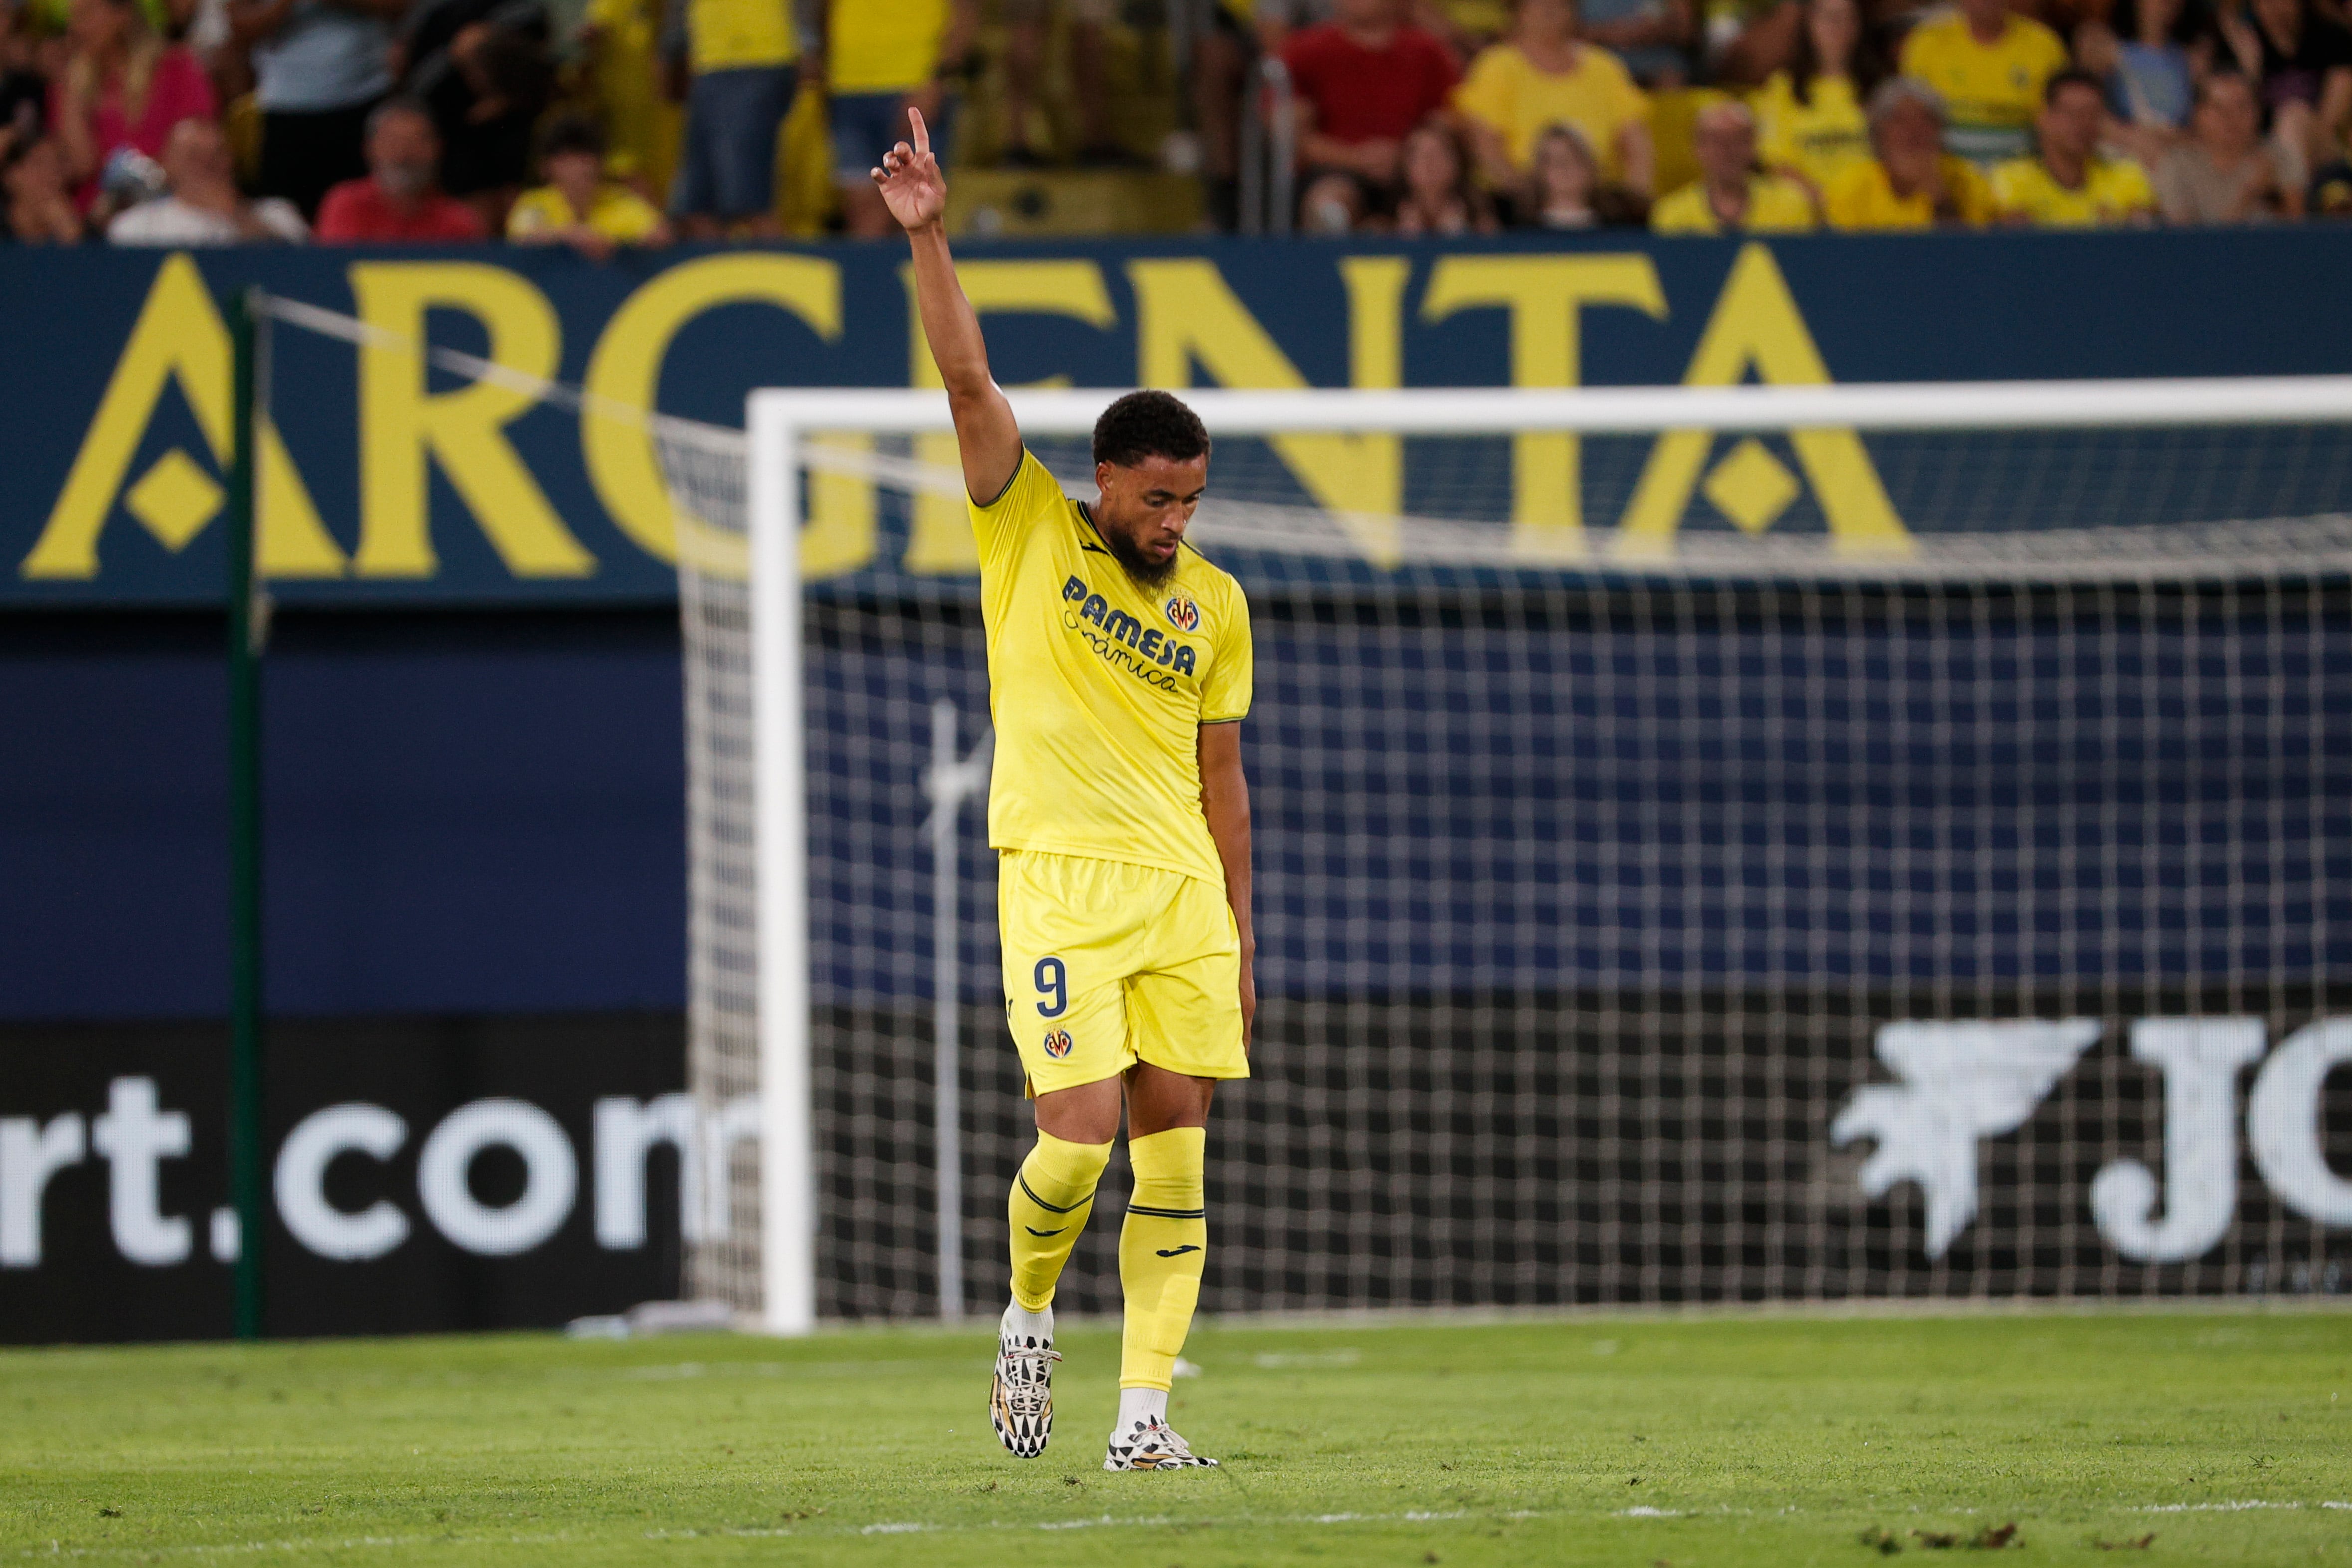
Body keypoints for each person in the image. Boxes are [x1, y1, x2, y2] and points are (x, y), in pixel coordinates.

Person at [874, 109, 1256, 1475]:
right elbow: (969, 377)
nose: (1176, 521)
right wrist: (929, 235)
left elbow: (1224, 773)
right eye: (1158, 499)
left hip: (1183, 899)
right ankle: (1028, 1310)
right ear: (1104, 482)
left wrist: (1239, 925)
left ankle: (1144, 1416)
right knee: (1080, 1142)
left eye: (1193, 501)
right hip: (1056, 877)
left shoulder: (1215, 603)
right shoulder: (1025, 524)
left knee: (1177, 1160)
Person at [1284, 0, 1461, 230]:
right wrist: (1355, 158)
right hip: (1336, 169)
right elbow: (1293, 134)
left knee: (1435, 180)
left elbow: (1447, 121)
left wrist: (1408, 154)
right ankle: (1327, 263)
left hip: (1409, 170)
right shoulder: (1306, 52)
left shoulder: (1427, 51)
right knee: (1328, 205)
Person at [230, 0, 405, 221]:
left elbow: (402, 7)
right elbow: (238, 27)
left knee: (367, 218)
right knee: (287, 221)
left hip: (364, 97)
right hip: (287, 108)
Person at [1457, 0, 1654, 197]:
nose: (1549, 9)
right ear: (1518, 11)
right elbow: (1486, 148)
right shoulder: (1496, 66)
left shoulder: (1604, 66)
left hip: (1597, 199)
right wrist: (1526, 200)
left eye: (1559, 4)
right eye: (1538, 4)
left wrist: (1632, 199)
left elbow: (1637, 144)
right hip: (1518, 200)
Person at [820, 0, 973, 239]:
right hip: (847, 85)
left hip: (914, 82)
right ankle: (872, 275)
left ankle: (916, 275)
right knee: (860, 211)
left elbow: (966, 10)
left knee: (914, 212)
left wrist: (939, 78)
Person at [48, 0, 215, 209]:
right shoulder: (71, 85)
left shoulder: (178, 69)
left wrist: (143, 185)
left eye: (87, 15)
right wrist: (71, 88)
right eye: (74, 18)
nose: (76, 27)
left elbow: (196, 145)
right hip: (100, 213)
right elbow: (83, 164)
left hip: (168, 202)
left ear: (122, 14)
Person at [668, 0, 801, 237]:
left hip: (753, 58)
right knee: (697, 207)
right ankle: (714, 273)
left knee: (750, 203)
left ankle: (779, 271)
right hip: (708, 63)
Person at [1895, 0, 2068, 166]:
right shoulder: (1927, 42)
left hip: (2022, 177)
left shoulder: (2044, 46)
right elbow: (1910, 121)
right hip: (1947, 174)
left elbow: (2060, 123)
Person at [1749, 0, 1884, 200]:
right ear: (1809, 23)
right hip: (1807, 215)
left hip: (1868, 211)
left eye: (1846, 18)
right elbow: (1776, 161)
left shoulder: (1879, 86)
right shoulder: (1782, 87)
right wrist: (1821, 201)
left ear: (1859, 25)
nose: (1837, 26)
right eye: (1828, 18)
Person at [1989, 67, 2157, 224]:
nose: (2081, 123)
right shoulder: (2011, 178)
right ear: (2044, 118)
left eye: (2091, 113)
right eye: (2071, 113)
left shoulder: (2128, 177)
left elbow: (2145, 240)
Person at [1823, 75, 1994, 226]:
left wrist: (1940, 198)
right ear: (1879, 132)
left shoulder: (1967, 180)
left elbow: (1969, 254)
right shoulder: (1852, 186)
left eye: (1925, 120)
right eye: (1900, 120)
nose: (1914, 132)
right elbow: (1842, 255)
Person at [108, 112, 309, 239]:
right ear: (167, 164)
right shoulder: (137, 227)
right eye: (193, 156)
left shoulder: (280, 216)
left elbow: (289, 273)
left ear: (232, 161)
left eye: (216, 154)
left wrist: (235, 213)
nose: (207, 165)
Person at [313, 91, 483, 236]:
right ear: (369, 148)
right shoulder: (346, 205)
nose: (404, 154)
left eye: (416, 142)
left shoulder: (459, 221)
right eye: (393, 141)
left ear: (438, 148)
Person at [2220, 0, 2352, 178]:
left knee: (2291, 119)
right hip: (2266, 153)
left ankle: (2294, 201)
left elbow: (2330, 125)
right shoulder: (2250, 47)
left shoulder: (2332, 40)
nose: (2275, 8)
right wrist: (2252, 73)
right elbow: (2245, 122)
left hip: (2325, 152)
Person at [2074, 0, 2215, 165]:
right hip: (2126, 157)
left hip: (2176, 160)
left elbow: (2204, 129)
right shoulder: (2111, 53)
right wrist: (2134, 137)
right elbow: (2091, 114)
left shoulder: (2190, 61)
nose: (2164, 5)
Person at [505, 111, 667, 255]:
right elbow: (521, 238)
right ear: (545, 167)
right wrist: (568, 235)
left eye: (587, 157)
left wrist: (652, 239)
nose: (581, 167)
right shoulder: (534, 204)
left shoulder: (622, 201)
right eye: (568, 158)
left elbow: (658, 233)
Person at [2154, 66, 2305, 217]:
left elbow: (2297, 229)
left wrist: (2274, 195)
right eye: (2219, 108)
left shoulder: (2280, 157)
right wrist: (2249, 194)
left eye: (2242, 107)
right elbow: (2184, 237)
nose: (2231, 118)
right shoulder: (2177, 164)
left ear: (2258, 111)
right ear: (2198, 114)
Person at [1651, 96, 1816, 228]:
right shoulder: (1672, 214)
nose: (1727, 151)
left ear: (1754, 146)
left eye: (1738, 140)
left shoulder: (1790, 204)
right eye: (1716, 141)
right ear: (1698, 148)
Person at [1393, 116, 1499, 230]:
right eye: (1419, 155)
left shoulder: (1482, 220)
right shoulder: (1385, 220)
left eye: (1438, 154)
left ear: (1457, 162)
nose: (1428, 164)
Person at [1, 133, 88, 239]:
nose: (52, 174)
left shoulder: (91, 232)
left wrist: (71, 234)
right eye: (39, 163)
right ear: (11, 175)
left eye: (57, 165)